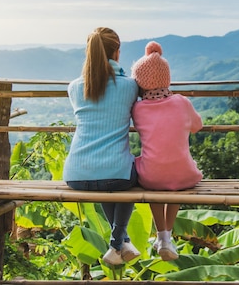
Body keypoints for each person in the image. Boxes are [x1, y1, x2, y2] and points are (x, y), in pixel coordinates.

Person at [63, 27, 141, 266]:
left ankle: (122, 243)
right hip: (116, 176)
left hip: (77, 174)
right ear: (117, 52)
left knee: (106, 177)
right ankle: (117, 243)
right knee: (132, 173)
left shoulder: (75, 87)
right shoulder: (130, 86)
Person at [130, 41, 203, 261]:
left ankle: (161, 235)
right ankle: (167, 237)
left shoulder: (138, 108)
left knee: (153, 174)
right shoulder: (181, 102)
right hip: (184, 175)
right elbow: (197, 126)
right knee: (175, 176)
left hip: (151, 176)